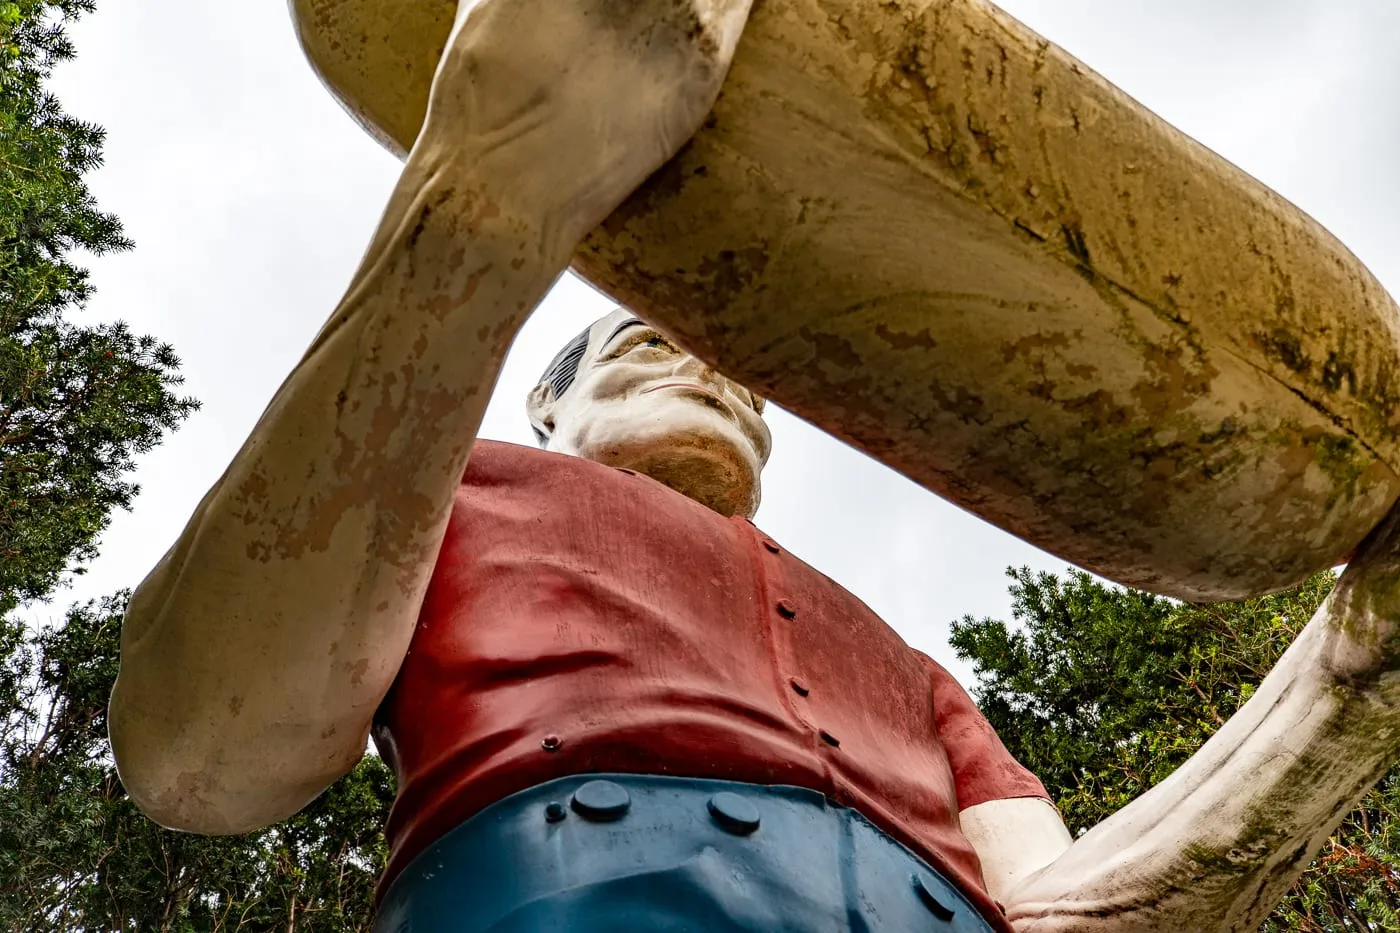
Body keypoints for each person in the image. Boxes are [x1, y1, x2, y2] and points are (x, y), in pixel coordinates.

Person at [109, 0, 1400, 929]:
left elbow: (1062, 916)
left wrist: (1348, 688)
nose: (707, 362)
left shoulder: (903, 664)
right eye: (638, 340)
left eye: (737, 367)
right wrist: (495, 196)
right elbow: (203, 757)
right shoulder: (433, 492)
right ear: (546, 409)